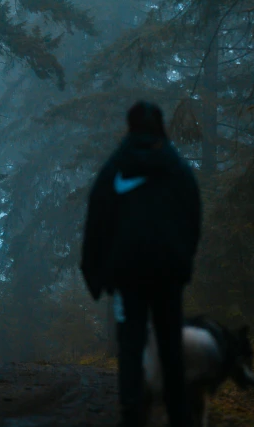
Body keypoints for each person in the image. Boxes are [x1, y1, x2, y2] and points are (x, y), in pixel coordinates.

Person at [81, 101, 201, 427]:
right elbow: (193, 216)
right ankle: (179, 415)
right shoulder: (176, 167)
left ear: (130, 125)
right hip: (168, 272)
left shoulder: (116, 167)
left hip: (127, 274)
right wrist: (183, 260)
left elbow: (96, 220)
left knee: (131, 345)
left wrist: (95, 273)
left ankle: (132, 414)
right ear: (159, 124)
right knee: (170, 346)